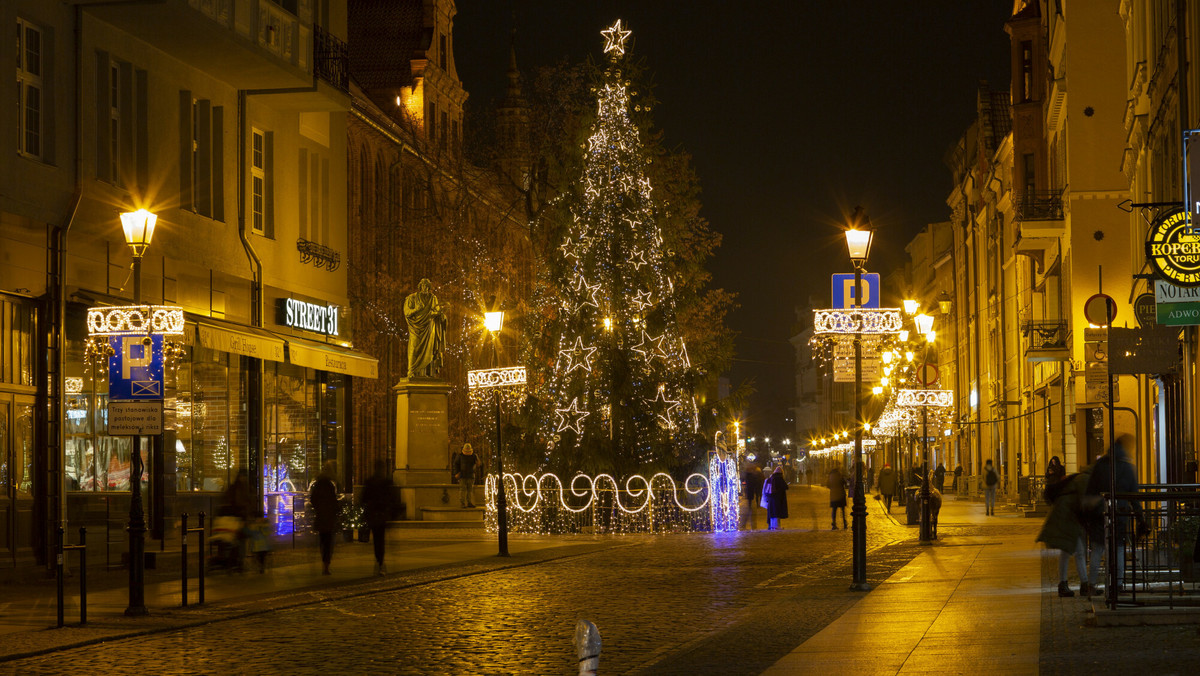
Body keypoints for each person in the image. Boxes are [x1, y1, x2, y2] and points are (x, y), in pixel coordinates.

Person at [1084, 435, 1141, 595]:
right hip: (1120, 513)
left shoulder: (1101, 465)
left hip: (1100, 512)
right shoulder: (1127, 467)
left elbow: (1090, 490)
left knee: (1097, 549)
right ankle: (1118, 584)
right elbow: (1134, 496)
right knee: (1119, 549)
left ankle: (1092, 584)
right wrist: (1141, 517)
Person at [1037, 469, 1091, 596]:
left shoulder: (1081, 478)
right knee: (1075, 551)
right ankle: (1077, 585)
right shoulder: (1085, 480)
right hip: (1067, 518)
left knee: (1071, 552)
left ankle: (1071, 584)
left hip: (1066, 517)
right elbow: (1084, 504)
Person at [403, 278, 446, 378]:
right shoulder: (412, 298)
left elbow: (436, 311)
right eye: (423, 285)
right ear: (420, 286)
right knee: (414, 348)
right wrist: (416, 310)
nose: (425, 288)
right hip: (416, 328)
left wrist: (441, 314)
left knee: (429, 350)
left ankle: (426, 373)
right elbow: (407, 312)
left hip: (429, 327)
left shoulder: (433, 298)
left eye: (427, 286)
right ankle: (411, 371)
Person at [361, 460, 395, 575]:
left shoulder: (370, 481)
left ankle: (379, 559)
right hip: (382, 514)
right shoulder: (386, 482)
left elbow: (363, 498)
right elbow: (392, 498)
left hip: (373, 514)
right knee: (380, 539)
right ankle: (380, 561)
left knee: (377, 539)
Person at [310, 460, 340, 575]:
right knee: (328, 542)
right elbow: (333, 501)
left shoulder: (318, 484)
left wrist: (318, 509)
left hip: (321, 516)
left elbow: (313, 499)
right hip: (329, 517)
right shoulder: (330, 485)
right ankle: (326, 565)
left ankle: (324, 562)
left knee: (323, 540)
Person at [454, 443, 478, 508]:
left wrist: (457, 473)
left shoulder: (473, 456)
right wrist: (457, 472)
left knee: (468, 490)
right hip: (464, 475)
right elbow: (456, 464)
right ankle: (464, 503)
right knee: (464, 490)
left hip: (469, 475)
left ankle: (467, 502)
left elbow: (478, 464)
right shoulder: (461, 456)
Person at [764, 465, 789, 530]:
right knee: (777, 512)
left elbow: (766, 489)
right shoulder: (780, 478)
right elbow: (785, 487)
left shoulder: (770, 478)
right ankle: (777, 526)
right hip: (778, 498)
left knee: (772, 512)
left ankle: (771, 526)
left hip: (771, 498)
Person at [743, 462, 766, 530]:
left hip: (751, 494)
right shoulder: (752, 475)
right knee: (751, 511)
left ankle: (747, 526)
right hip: (751, 494)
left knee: (749, 511)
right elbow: (755, 484)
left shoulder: (749, 475)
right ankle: (752, 527)